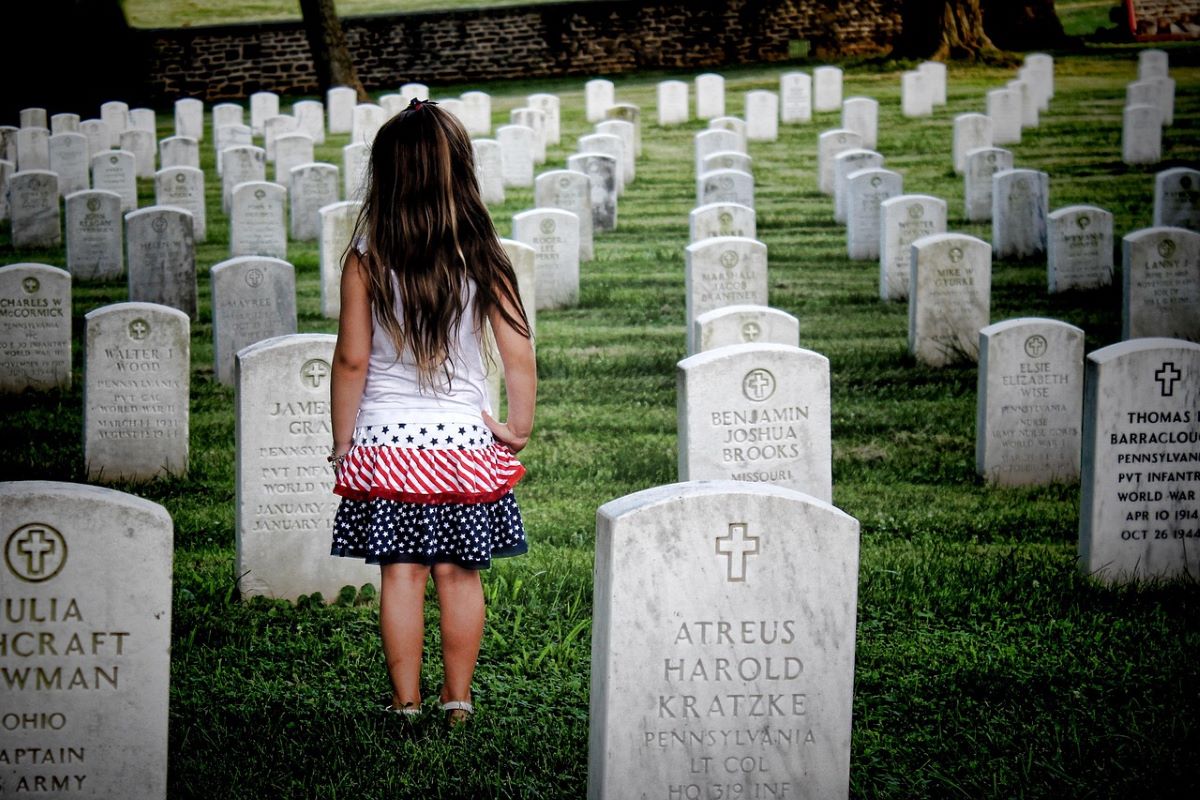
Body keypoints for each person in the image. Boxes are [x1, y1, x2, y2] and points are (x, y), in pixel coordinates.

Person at [327, 98, 536, 729]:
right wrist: (518, 427)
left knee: (402, 572)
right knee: (458, 571)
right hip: (465, 447)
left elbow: (352, 362)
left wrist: (343, 442)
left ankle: (404, 703)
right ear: (461, 172)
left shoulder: (366, 258)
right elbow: (518, 351)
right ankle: (459, 701)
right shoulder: (484, 255)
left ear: (386, 176)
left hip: (388, 445)